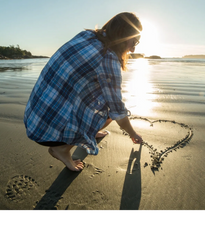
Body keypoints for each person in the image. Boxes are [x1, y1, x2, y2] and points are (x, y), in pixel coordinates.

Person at [24, 12, 144, 172]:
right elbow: (118, 110)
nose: (134, 47)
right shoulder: (108, 58)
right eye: (134, 41)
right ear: (123, 35)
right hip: (48, 132)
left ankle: (89, 132)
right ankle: (62, 149)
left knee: (97, 94)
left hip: (34, 116)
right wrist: (132, 133)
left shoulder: (86, 35)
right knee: (109, 111)